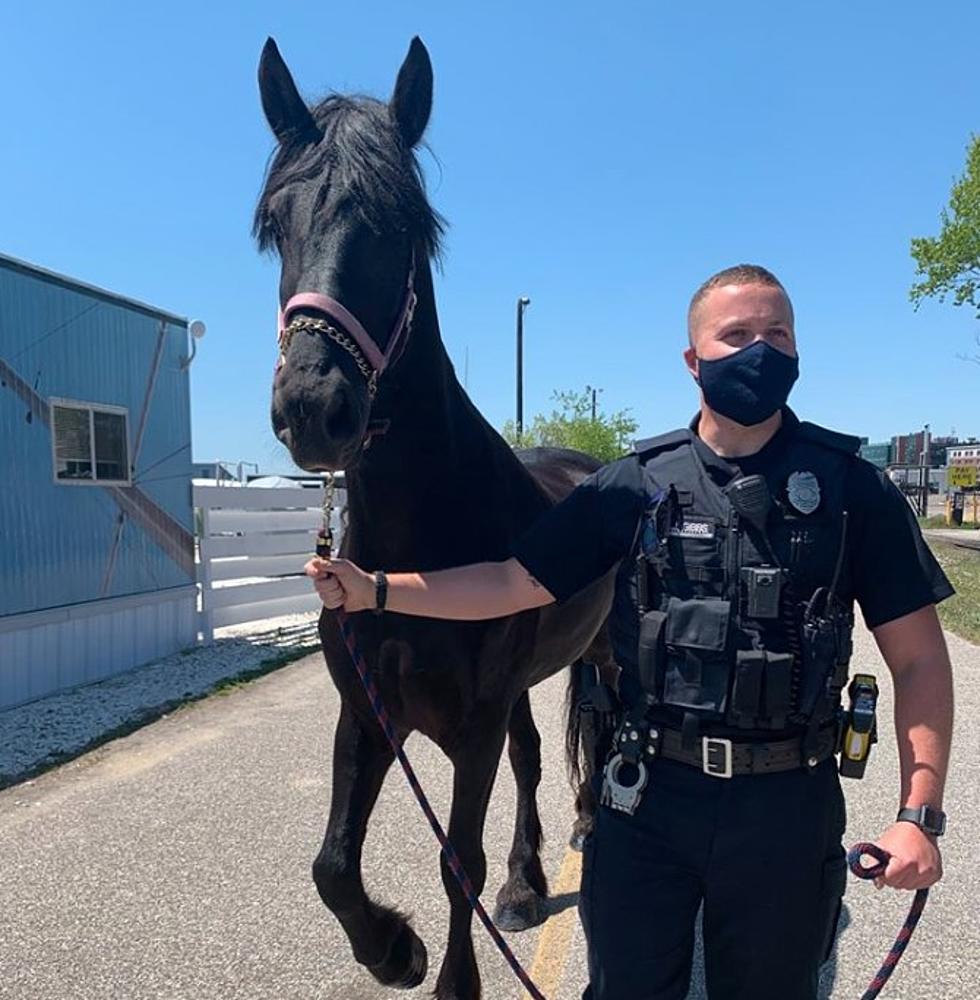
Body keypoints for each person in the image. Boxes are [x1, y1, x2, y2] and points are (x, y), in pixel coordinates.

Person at [306, 264, 954, 1000]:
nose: (759, 351)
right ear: (694, 359)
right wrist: (376, 590)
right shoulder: (633, 482)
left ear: (798, 349)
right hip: (649, 801)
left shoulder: (851, 489)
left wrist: (918, 814)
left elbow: (920, 658)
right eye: (736, 335)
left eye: (777, 333)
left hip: (787, 806)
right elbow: (511, 582)